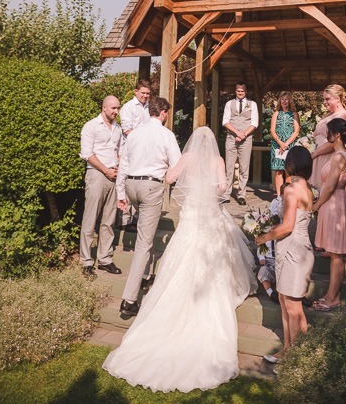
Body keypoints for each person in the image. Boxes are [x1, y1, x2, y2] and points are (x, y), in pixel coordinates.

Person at [103, 126, 257, 393]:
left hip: (190, 217)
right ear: (213, 143)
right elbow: (222, 187)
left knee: (181, 261)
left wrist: (184, 179)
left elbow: (171, 177)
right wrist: (213, 190)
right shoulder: (218, 160)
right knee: (214, 257)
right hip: (207, 215)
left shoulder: (187, 158)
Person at [116, 96, 181, 318]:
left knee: (146, 231)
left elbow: (123, 163)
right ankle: (129, 300)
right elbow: (177, 164)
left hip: (131, 185)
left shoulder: (134, 135)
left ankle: (147, 275)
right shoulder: (166, 134)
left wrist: (120, 193)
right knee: (144, 242)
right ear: (162, 113)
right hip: (151, 187)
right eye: (167, 113)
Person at [256, 146, 314, 364]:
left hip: (293, 250)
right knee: (283, 299)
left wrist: (264, 236)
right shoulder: (307, 188)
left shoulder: (291, 190)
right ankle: (288, 349)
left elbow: (288, 226)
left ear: (290, 164)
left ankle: (299, 359)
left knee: (293, 306)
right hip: (293, 248)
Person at [312, 118, 346, 312]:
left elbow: (329, 187)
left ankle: (332, 299)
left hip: (333, 206)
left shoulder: (339, 157)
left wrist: (315, 205)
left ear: (336, 134)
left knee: (336, 255)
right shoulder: (338, 154)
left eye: (329, 132)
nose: (326, 135)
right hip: (330, 206)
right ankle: (332, 296)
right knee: (333, 253)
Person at [79, 96, 123, 276]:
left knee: (109, 221)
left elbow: (120, 151)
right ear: (103, 107)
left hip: (114, 175)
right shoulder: (91, 126)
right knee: (90, 219)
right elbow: (87, 154)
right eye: (113, 108)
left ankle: (105, 259)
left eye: (118, 108)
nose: (116, 111)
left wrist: (118, 168)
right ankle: (86, 261)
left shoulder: (118, 129)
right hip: (97, 174)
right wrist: (105, 170)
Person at [310, 84, 346, 204]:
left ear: (338, 99)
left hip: (331, 161)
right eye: (323, 99)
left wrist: (315, 153)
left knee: (330, 199)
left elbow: (336, 142)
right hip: (319, 160)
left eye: (327, 99)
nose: (324, 102)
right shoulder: (327, 116)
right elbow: (315, 134)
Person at [118, 78, 151, 229]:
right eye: (143, 93)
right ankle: (124, 220)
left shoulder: (149, 107)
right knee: (126, 181)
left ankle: (137, 219)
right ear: (136, 92)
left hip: (144, 151)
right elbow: (127, 130)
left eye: (148, 93)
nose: (145, 96)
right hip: (130, 150)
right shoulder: (128, 107)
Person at [222, 82, 259, 205]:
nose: (240, 92)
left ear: (246, 92)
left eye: (242, 91)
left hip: (246, 139)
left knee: (244, 168)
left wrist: (243, 134)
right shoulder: (229, 104)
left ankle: (241, 194)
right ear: (235, 91)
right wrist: (237, 133)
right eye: (238, 90)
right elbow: (225, 121)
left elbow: (254, 123)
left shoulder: (252, 104)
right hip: (231, 138)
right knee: (229, 167)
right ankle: (226, 194)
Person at [270, 91, 300, 196]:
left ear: (290, 101)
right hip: (277, 145)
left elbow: (296, 131)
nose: (284, 101)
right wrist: (280, 143)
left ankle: (287, 195)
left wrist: (286, 144)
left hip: (289, 145)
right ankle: (279, 196)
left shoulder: (294, 114)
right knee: (279, 171)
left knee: (288, 171)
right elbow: (272, 130)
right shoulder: (276, 114)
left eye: (286, 99)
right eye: (282, 99)